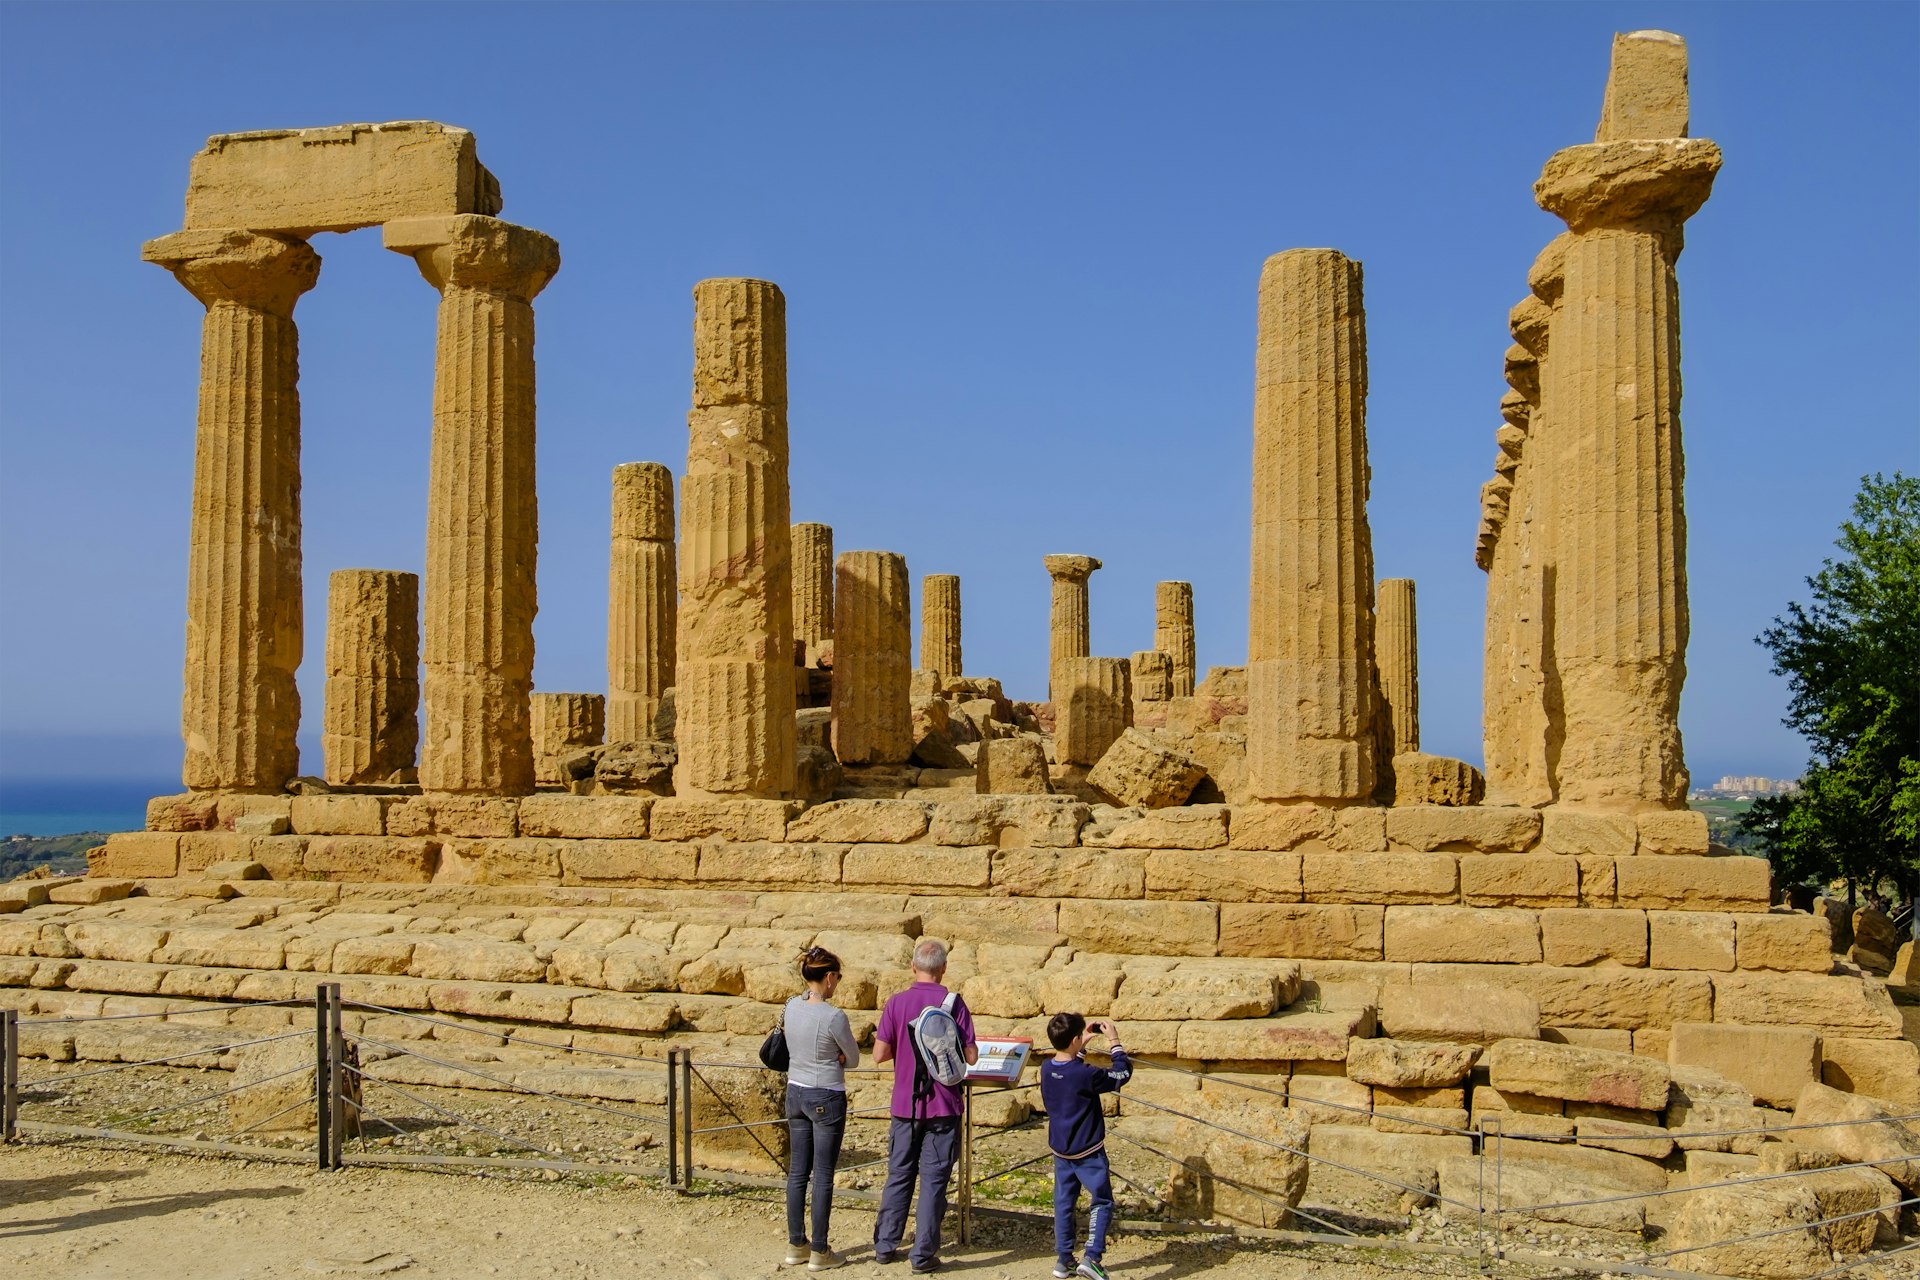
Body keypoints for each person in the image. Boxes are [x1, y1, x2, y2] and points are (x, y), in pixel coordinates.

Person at [871, 937, 978, 1273]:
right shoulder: (954, 1004)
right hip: (944, 1106)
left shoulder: (896, 1002)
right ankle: (923, 1255)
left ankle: (886, 1245)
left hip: (905, 1104)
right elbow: (971, 1056)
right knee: (934, 1181)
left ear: (913, 967)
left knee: (899, 1174)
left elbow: (879, 1055)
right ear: (943, 969)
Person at [781, 946, 861, 1271]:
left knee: (798, 1172)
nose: (838, 983)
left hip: (795, 1091)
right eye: (837, 978)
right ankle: (819, 1250)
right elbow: (853, 1059)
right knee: (823, 1175)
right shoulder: (833, 1016)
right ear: (828, 977)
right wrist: (839, 1057)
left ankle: (795, 1244)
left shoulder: (790, 1006)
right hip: (825, 1094)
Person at [1038, 1013, 1132, 1280]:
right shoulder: (1086, 1074)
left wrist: (1080, 1045)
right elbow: (1121, 1074)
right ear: (1075, 1039)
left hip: (1061, 1150)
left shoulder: (1047, 1068)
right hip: (1088, 1151)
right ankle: (1092, 1257)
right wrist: (1114, 1042)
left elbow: (1068, 1072)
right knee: (1101, 1201)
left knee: (1064, 1203)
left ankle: (1064, 1260)